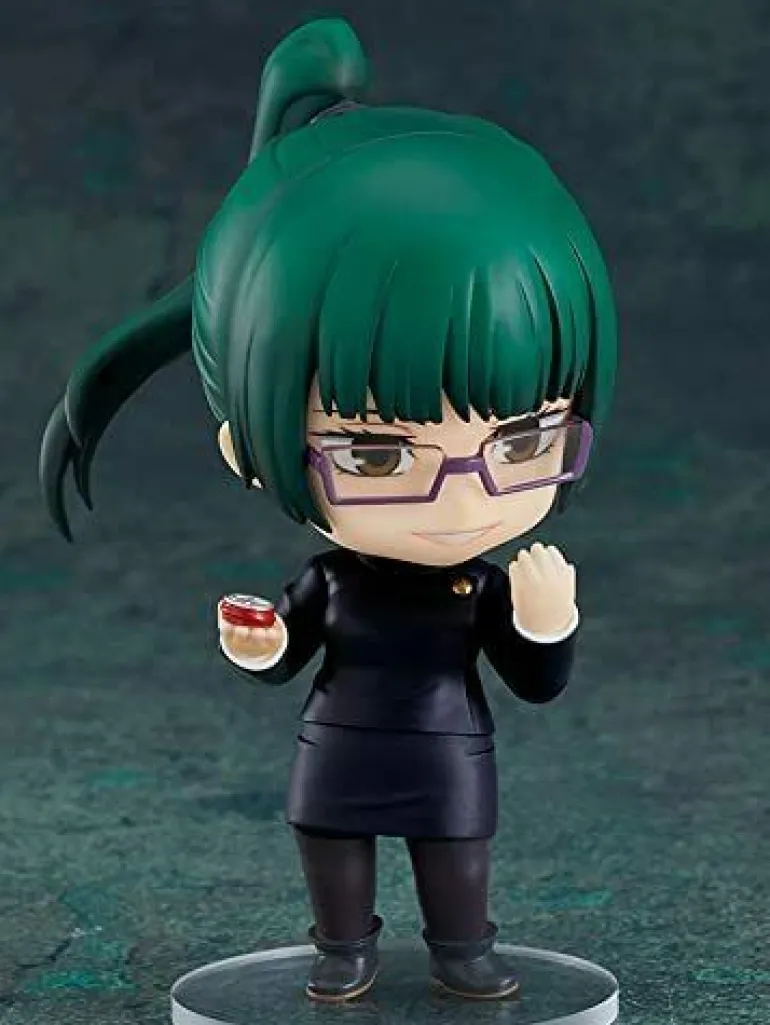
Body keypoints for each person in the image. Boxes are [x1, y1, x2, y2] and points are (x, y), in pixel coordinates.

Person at [39, 17, 618, 1005]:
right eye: (379, 455)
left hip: (450, 755)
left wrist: (545, 623)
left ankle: (463, 948)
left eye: (522, 441)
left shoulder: (481, 584)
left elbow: (534, 680)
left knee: (456, 861)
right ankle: (342, 949)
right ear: (247, 450)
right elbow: (287, 653)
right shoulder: (330, 578)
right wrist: (260, 643)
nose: (465, 495)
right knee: (334, 857)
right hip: (338, 750)